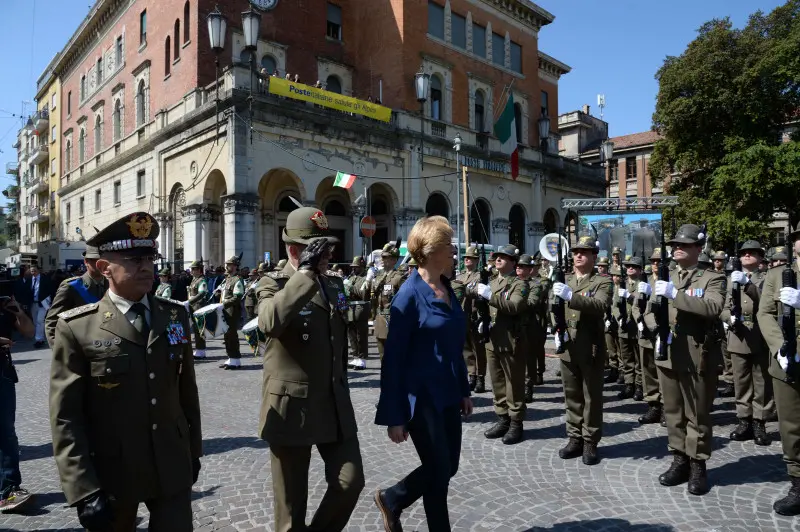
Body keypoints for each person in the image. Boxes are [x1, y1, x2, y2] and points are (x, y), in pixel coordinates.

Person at [49, 212, 202, 531]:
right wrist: (82, 489)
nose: (146, 266)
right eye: (134, 259)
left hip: (171, 464)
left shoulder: (174, 316)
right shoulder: (77, 327)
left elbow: (186, 392)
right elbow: (66, 417)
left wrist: (193, 452)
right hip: (113, 472)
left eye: (150, 257)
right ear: (104, 268)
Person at [256, 206, 364, 531]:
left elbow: (343, 325)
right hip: (292, 407)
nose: (329, 254)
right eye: (321, 249)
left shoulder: (333, 283)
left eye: (329, 247)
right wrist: (304, 273)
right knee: (291, 515)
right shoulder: (272, 283)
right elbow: (269, 321)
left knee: (350, 481)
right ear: (294, 249)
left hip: (333, 403)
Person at [374, 216, 472, 532]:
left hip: (447, 393)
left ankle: (392, 500)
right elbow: (393, 360)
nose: (455, 253)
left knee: (447, 468)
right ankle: (393, 499)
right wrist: (394, 415)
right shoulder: (408, 296)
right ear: (431, 252)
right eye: (450, 247)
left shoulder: (446, 287)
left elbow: (453, 345)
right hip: (421, 398)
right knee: (438, 468)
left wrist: (464, 389)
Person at [649, 223, 725, 496]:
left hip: (696, 354)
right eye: (675, 245)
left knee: (697, 413)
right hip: (668, 351)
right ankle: (679, 459)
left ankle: (697, 465)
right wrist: (655, 328)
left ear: (698, 248)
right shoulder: (663, 276)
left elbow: (713, 307)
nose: (677, 248)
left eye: (684, 244)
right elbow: (648, 309)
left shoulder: (712, 278)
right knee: (672, 411)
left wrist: (676, 295)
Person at [552, 236, 613, 465]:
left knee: (591, 396)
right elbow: (554, 308)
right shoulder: (564, 279)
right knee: (572, 395)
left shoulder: (602, 282)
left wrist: (571, 296)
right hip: (568, 346)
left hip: (591, 347)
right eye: (576, 251)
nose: (578, 255)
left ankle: (590, 441)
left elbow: (600, 306)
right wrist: (556, 327)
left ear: (594, 257)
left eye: (584, 252)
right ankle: (574, 437)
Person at [758, 222, 800, 515]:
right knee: (790, 425)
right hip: (786, 360)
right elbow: (765, 313)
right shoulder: (777, 275)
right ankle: (798, 483)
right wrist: (779, 349)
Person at [473, 245, 528, 445]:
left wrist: (489, 296)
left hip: (510, 339)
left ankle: (516, 423)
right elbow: (484, 305)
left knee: (513, 382)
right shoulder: (494, 281)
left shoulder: (519, 284)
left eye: (503, 257)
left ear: (513, 262)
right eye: (497, 257)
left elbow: (514, 306)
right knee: (496, 381)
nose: (498, 260)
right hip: (493, 338)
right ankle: (502, 418)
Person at [720, 240, 773, 445]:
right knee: (741, 380)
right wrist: (728, 318)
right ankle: (744, 420)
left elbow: (765, 302)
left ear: (760, 257)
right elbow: (723, 307)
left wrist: (747, 285)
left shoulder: (767, 278)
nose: (747, 255)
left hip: (760, 334)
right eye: (744, 253)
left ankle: (760, 422)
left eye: (752, 253)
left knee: (761, 381)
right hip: (738, 334)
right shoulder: (730, 279)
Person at [0, 297, 35, 513]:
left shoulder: (4, 307)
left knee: (6, 433)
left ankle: (9, 489)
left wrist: (19, 312)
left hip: (2, 373)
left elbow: (29, 332)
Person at [45, 246, 109, 348]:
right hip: (81, 348)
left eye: (103, 260)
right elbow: (52, 321)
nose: (99, 264)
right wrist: (60, 350)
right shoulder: (72, 286)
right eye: (95, 260)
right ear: (86, 262)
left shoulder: (112, 285)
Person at [455, 246, 487, 393]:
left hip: (475, 315)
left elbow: (480, 293)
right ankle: (471, 375)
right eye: (466, 257)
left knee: (478, 348)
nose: (467, 259)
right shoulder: (460, 277)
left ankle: (481, 377)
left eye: (471, 258)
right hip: (462, 316)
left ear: (476, 260)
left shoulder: (480, 276)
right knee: (466, 348)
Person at [373, 243, 404, 359]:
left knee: (394, 355)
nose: (382, 259)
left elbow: (403, 302)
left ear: (394, 260)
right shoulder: (378, 276)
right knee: (382, 355)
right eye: (382, 257)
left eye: (386, 257)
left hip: (392, 320)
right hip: (379, 318)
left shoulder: (398, 277)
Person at [218, 256, 245, 370]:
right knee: (226, 335)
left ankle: (236, 359)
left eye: (229, 264)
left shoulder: (237, 279)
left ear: (235, 266)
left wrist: (224, 304)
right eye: (227, 264)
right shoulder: (227, 278)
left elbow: (237, 297)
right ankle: (230, 358)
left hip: (232, 310)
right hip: (225, 309)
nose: (227, 266)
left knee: (232, 335)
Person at [344, 256, 370, 369]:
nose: (354, 269)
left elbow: (362, 294)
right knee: (352, 335)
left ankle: (362, 359)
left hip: (360, 308)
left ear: (362, 267)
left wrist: (349, 286)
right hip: (350, 308)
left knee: (361, 335)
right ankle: (355, 357)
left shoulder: (365, 278)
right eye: (353, 267)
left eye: (356, 267)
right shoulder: (352, 277)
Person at [186, 260, 210, 359]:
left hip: (199, 307)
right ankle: (198, 349)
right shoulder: (194, 280)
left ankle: (201, 350)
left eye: (193, 269)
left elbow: (202, 293)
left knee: (200, 328)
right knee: (195, 329)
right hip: (193, 307)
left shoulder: (201, 281)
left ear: (199, 270)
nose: (191, 271)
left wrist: (189, 302)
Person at [28, 264, 54, 348]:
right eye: (32, 271)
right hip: (33, 303)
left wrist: (51, 301)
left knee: (40, 321)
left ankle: (39, 339)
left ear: (38, 271)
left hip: (42, 303)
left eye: (34, 271)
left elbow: (51, 290)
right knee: (36, 322)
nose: (33, 272)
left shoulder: (45, 279)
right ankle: (40, 338)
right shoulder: (29, 280)